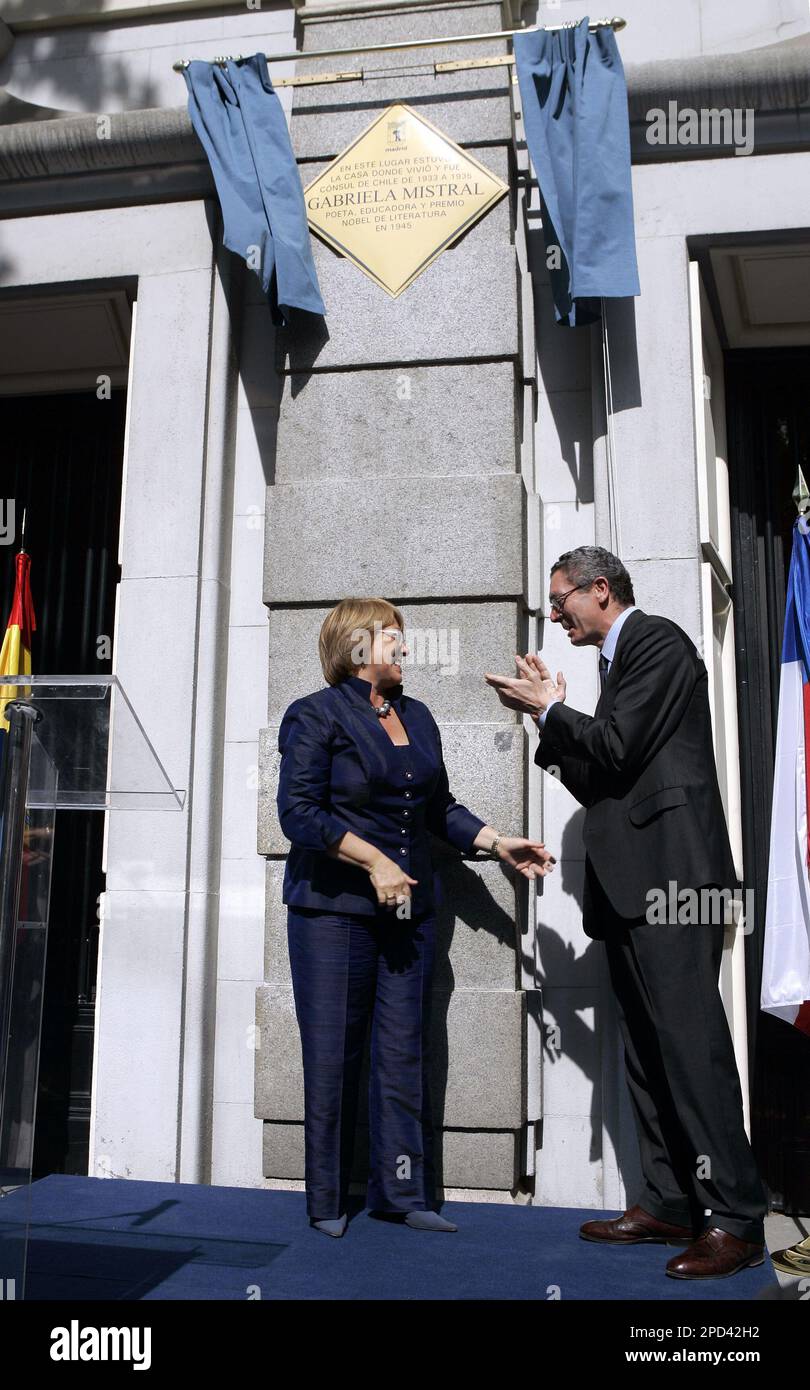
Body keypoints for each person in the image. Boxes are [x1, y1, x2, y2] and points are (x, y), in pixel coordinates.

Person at [485, 546, 768, 1280]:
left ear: (600, 589)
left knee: (690, 1050)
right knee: (646, 1054)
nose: (553, 615)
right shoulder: (618, 664)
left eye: (560, 600)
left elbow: (613, 744)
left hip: (677, 884)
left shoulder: (658, 641)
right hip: (635, 891)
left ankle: (736, 1217)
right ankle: (671, 1201)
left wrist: (552, 707)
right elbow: (605, 776)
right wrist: (546, 723)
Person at [277, 597, 556, 1238]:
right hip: (332, 913)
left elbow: (440, 810)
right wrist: (372, 859)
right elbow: (298, 815)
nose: (405, 647)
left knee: (403, 1052)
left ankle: (402, 1192)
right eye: (392, 637)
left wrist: (495, 842)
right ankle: (325, 1202)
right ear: (354, 649)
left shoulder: (419, 717)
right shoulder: (314, 716)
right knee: (332, 1055)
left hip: (408, 912)